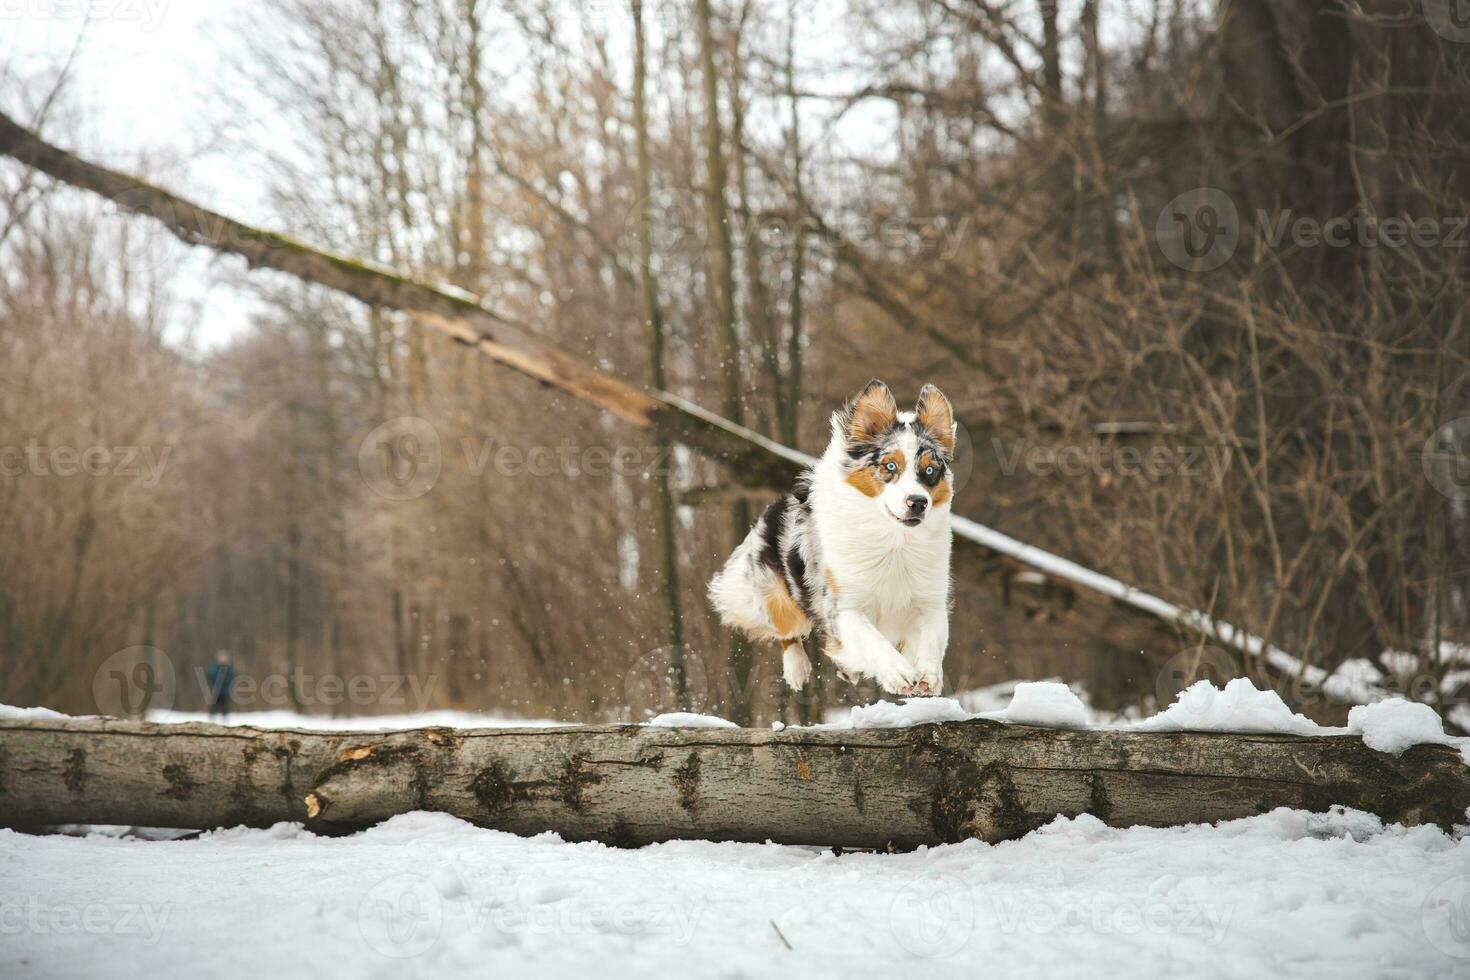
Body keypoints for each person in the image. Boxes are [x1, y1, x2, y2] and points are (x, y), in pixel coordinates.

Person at [206, 651, 236, 720]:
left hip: (225, 692)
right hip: (216, 692)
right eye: (221, 659)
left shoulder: (229, 669)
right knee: (213, 707)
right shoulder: (215, 668)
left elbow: (232, 678)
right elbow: (211, 677)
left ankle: (225, 720)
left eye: (224, 659)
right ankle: (211, 720)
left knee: (225, 708)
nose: (223, 660)